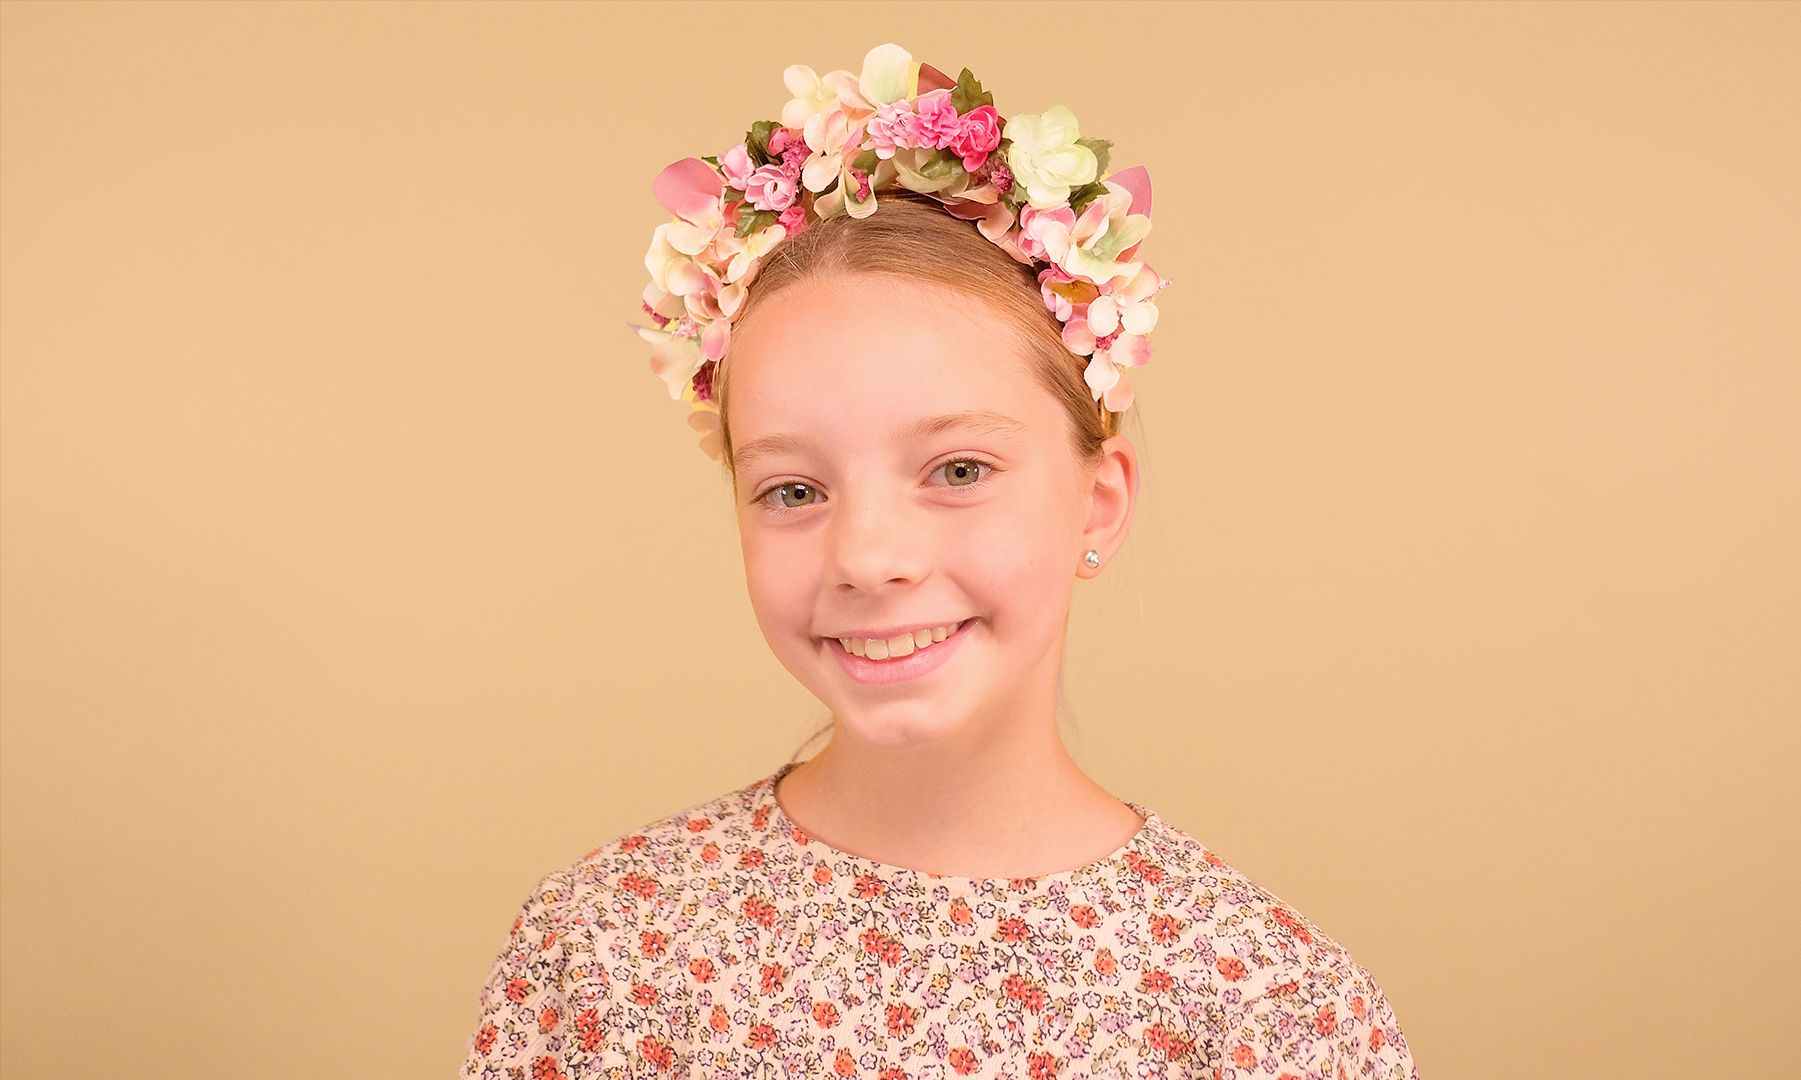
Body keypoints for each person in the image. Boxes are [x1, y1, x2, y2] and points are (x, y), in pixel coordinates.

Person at [463, 45, 1418, 1080]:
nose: (868, 557)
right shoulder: (601, 957)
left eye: (959, 470)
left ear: (1100, 500)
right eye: (794, 490)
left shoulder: (1271, 1010)